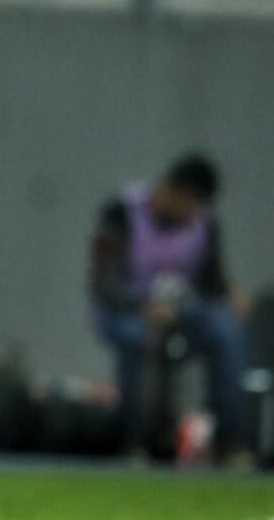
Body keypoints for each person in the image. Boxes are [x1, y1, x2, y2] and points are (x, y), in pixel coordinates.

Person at [90, 155, 247, 462]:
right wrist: (141, 306)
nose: (193, 216)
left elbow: (211, 282)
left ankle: (231, 443)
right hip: (126, 309)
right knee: (136, 337)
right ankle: (134, 440)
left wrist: (230, 294)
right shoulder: (121, 212)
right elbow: (104, 282)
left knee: (227, 331)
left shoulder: (205, 222)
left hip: (181, 310)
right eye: (190, 206)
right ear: (173, 192)